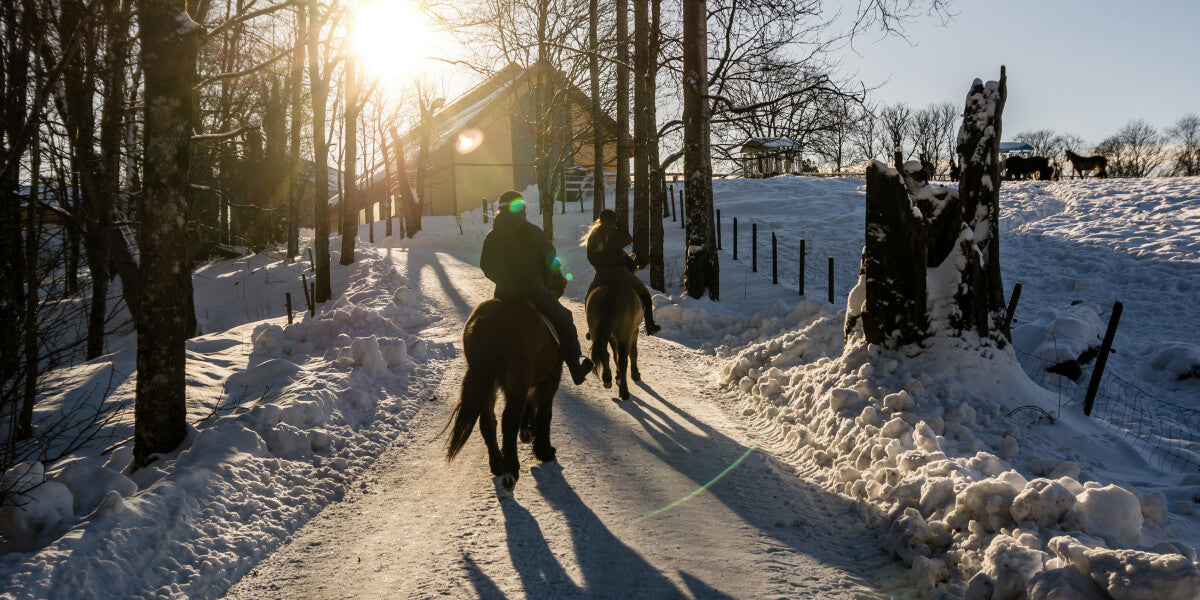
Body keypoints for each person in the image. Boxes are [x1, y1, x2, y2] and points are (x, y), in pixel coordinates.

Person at [480, 190, 593, 385]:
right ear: (522, 209)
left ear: (500, 211)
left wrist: (505, 280)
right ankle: (576, 368)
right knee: (564, 317)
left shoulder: (492, 236)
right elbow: (551, 260)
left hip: (503, 294)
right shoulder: (533, 232)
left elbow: (486, 266)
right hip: (534, 291)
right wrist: (543, 282)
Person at [582, 209, 661, 335]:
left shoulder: (593, 235)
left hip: (601, 274)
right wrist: (620, 226)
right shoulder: (616, 233)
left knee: (589, 298)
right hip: (621, 273)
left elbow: (590, 256)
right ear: (614, 221)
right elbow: (628, 239)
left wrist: (600, 267)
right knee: (645, 295)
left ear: (600, 220)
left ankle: (591, 329)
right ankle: (650, 325)